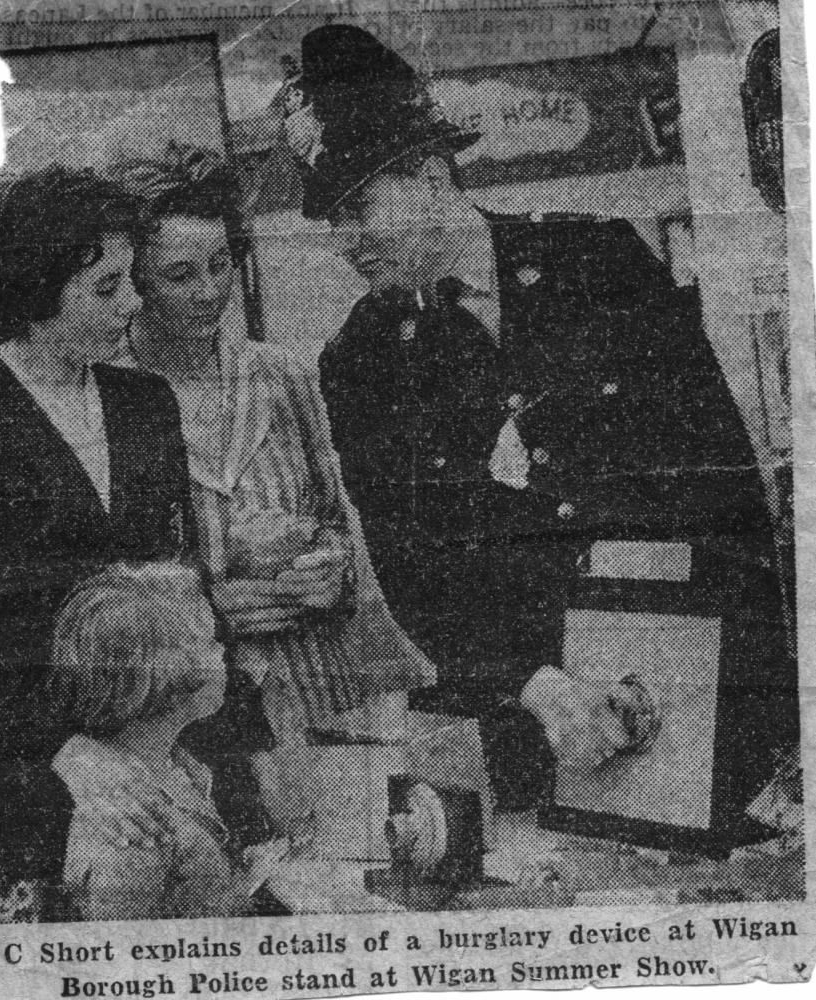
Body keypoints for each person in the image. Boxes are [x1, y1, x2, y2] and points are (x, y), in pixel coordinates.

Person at [286, 25, 796, 809]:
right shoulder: (361, 360)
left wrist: (763, 691)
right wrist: (538, 683)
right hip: (529, 713)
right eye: (331, 223)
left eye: (358, 208)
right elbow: (410, 564)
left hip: (687, 671)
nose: (344, 244)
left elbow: (717, 477)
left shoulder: (597, 260)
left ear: (427, 177)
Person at [109, 145, 433, 827]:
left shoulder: (284, 376)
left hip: (319, 692)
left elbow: (337, 522)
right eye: (179, 274)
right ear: (134, 280)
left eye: (222, 264)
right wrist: (204, 610)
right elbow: (101, 590)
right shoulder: (107, 396)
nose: (209, 291)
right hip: (191, 721)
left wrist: (332, 574)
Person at [0, 165, 196, 909]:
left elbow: (175, 582)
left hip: (159, 741)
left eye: (131, 280)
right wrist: (62, 751)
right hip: (25, 773)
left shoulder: (146, 401)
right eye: (106, 288)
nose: (133, 303)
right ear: (35, 295)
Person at [50, 562, 288, 920]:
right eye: (212, 642)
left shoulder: (177, 766)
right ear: (164, 673)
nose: (225, 653)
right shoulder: (131, 820)